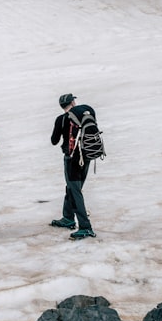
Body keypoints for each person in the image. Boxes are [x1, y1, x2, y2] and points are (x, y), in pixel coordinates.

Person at [49, 93, 97, 239]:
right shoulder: (86, 113)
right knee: (73, 188)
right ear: (73, 102)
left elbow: (54, 141)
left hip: (72, 159)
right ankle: (68, 217)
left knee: (75, 190)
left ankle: (85, 226)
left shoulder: (61, 119)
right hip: (87, 156)